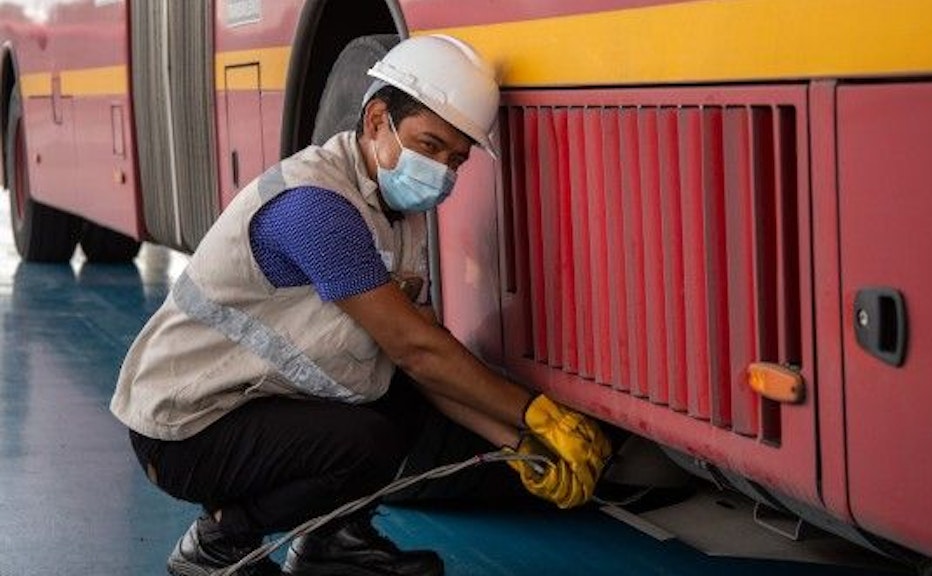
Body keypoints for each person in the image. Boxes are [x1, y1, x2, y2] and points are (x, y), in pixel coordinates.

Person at [109, 34, 612, 576]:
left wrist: (519, 446)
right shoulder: (315, 206)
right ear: (376, 121)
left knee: (405, 396)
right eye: (429, 144)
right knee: (364, 439)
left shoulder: (396, 209)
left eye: (456, 160)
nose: (442, 170)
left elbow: (427, 362)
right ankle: (216, 546)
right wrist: (534, 413)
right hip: (187, 428)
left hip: (251, 401)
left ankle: (333, 542)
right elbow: (416, 349)